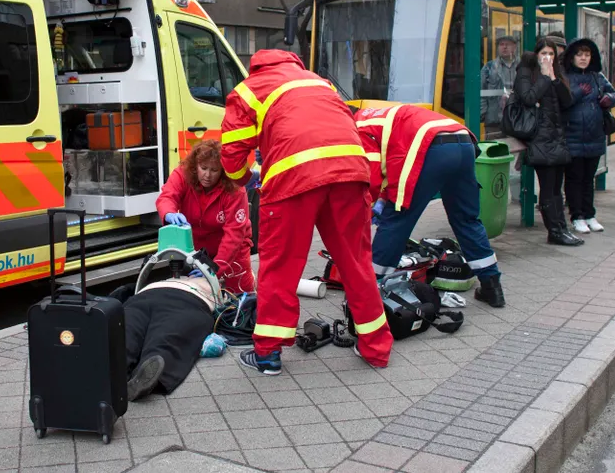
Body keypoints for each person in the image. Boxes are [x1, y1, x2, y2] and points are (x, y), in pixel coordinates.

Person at [220, 50, 392, 375]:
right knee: (356, 264)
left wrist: (246, 176)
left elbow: (231, 157)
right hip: (350, 173)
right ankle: (376, 349)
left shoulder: (248, 89)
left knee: (280, 267)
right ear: (294, 63)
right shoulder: (319, 82)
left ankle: (268, 355)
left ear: (256, 66)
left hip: (293, 179)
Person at [354, 104, 505, 307]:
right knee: (466, 219)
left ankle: (370, 291)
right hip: (463, 142)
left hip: (430, 147)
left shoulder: (359, 126)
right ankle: (492, 286)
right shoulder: (380, 114)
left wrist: (368, 207)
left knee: (397, 218)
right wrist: (383, 197)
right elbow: (388, 167)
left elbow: (370, 173)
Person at [157, 140, 256, 294]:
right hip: (198, 248)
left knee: (241, 296)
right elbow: (167, 197)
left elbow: (234, 235)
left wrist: (215, 267)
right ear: (195, 166)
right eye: (203, 168)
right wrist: (168, 212)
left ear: (223, 170)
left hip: (233, 250)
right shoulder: (183, 174)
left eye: (214, 170)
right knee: (194, 292)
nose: (207, 175)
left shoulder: (234, 188)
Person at [513, 38, 581, 246]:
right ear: (536, 54)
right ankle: (554, 231)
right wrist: (543, 77)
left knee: (556, 189)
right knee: (548, 188)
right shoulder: (526, 72)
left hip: (556, 138)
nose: (548, 58)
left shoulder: (555, 74)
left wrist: (553, 78)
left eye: (551, 54)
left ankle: (562, 227)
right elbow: (528, 97)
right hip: (540, 139)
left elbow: (567, 101)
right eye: (544, 53)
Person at [120, 263, 219, 400]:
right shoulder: (168, 276)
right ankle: (114, 372)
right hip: (145, 297)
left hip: (189, 301)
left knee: (165, 339)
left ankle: (138, 381)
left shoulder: (216, 283)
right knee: (124, 333)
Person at [562, 38, 615, 235]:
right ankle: (576, 216)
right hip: (572, 136)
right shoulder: (565, 76)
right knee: (574, 178)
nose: (584, 58)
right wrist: (578, 92)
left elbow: (613, 94)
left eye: (587, 55)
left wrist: (608, 99)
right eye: (579, 55)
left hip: (594, 136)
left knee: (588, 179)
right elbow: (562, 101)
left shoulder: (597, 76)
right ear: (572, 57)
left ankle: (589, 214)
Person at [479, 36, 518, 130]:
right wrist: (484, 115)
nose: (504, 47)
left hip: (516, 120)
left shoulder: (521, 66)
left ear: (514, 47)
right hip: (494, 121)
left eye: (507, 44)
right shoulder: (489, 67)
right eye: (501, 44)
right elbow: (481, 92)